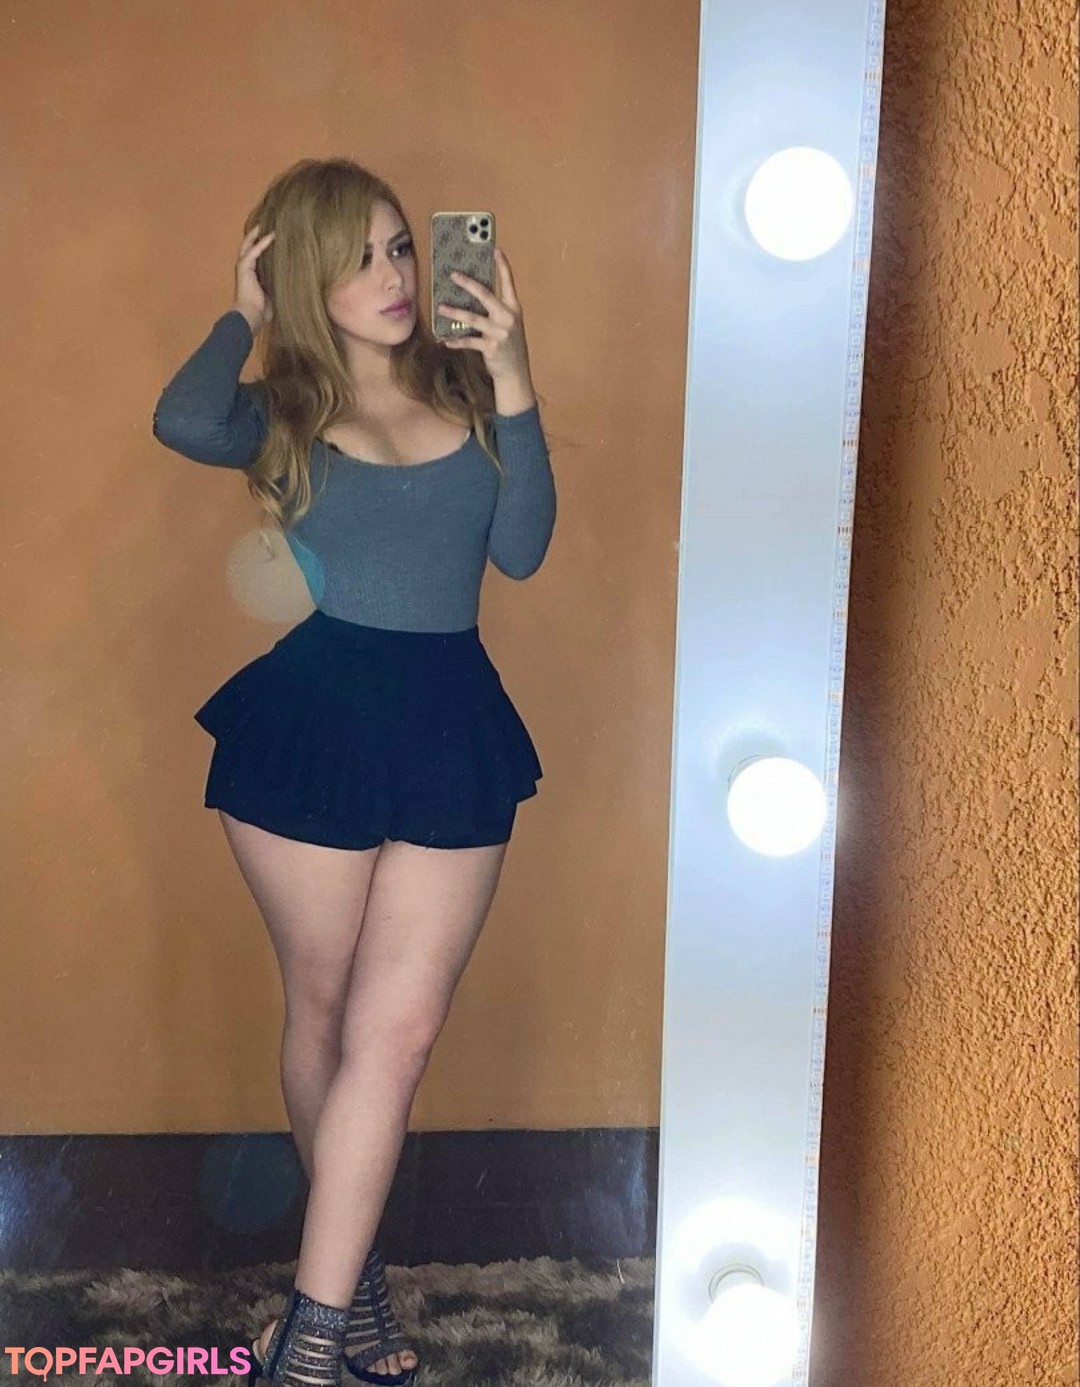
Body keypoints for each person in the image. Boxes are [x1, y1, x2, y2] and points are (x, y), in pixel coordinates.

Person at [152, 157, 556, 1386]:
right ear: (303, 276)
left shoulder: (468, 386)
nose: (391, 276)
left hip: (451, 726)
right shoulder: (277, 409)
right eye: (356, 257)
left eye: (399, 248)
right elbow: (181, 418)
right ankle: (346, 1308)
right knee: (327, 1018)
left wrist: (516, 372)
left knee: (400, 1032)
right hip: (313, 726)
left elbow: (523, 549)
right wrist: (244, 314)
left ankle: (309, 1337)